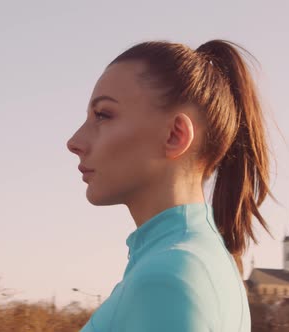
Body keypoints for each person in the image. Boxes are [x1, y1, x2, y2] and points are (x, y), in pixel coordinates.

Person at [66, 39, 273, 331]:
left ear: (175, 135)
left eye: (103, 115)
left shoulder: (167, 279)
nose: (74, 142)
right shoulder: (192, 261)